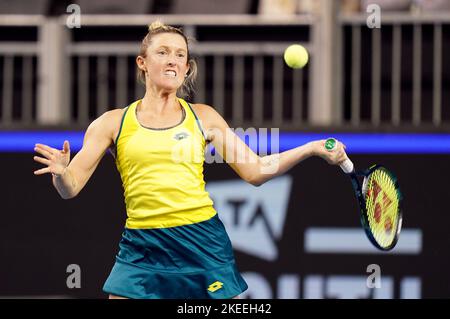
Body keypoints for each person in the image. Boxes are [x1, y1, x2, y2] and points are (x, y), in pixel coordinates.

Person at [33, 21, 349, 299]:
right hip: (142, 245)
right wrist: (61, 173)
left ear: (186, 68)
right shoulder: (112, 123)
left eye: (180, 55)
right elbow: (70, 188)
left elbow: (256, 170)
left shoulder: (204, 118)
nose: (173, 60)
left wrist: (310, 148)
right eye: (163, 52)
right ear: (142, 63)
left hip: (201, 242)